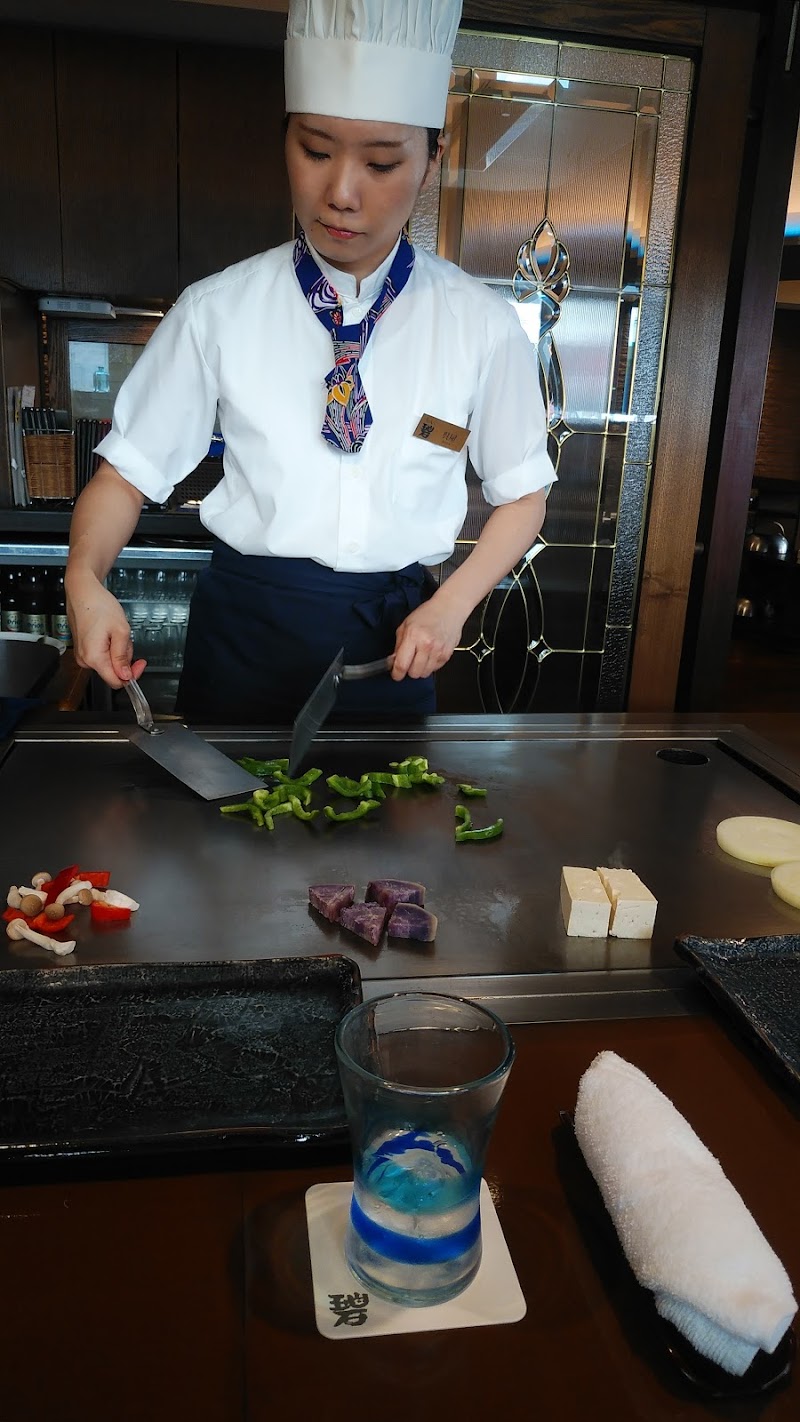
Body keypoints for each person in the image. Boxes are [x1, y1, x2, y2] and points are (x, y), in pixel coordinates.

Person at [65, 0, 555, 722]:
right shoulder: (217, 310)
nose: (342, 194)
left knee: (385, 826)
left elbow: (522, 494)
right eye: (316, 151)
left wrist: (452, 606)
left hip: (393, 643)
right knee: (223, 833)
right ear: (285, 140)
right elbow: (124, 479)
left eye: (383, 161)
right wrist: (85, 580)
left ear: (432, 162)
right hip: (242, 640)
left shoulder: (479, 325)